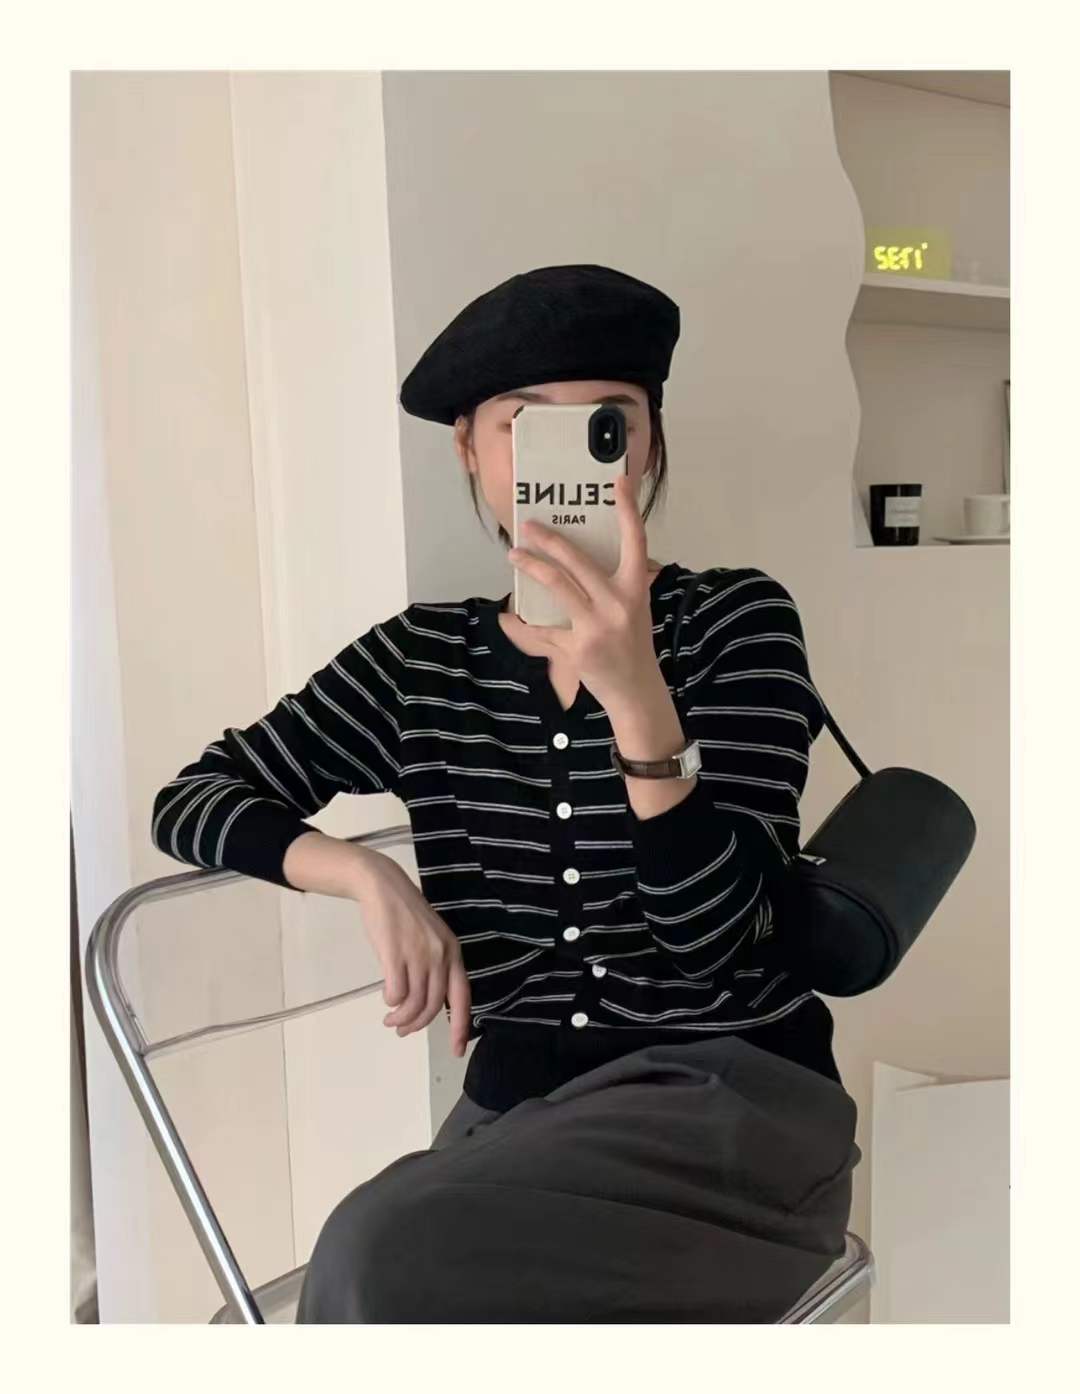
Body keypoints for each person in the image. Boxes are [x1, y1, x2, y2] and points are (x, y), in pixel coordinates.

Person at [151, 264, 861, 1323]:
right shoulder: (419, 661)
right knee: (400, 1270)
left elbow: (712, 938)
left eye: (607, 425)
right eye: (525, 427)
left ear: (649, 444)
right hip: (519, 1118)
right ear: (471, 451)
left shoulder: (735, 622)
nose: (569, 459)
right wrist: (366, 875)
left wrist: (637, 694)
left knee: (376, 1251)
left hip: (732, 1104)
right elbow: (195, 798)